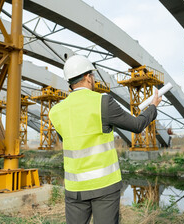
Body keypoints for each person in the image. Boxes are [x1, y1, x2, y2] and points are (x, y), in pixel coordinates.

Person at [49, 55, 162, 224]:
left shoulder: (56, 111)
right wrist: (153, 107)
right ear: (88, 77)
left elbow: (66, 138)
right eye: (92, 76)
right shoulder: (103, 101)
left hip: (75, 189)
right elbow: (137, 125)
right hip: (104, 187)